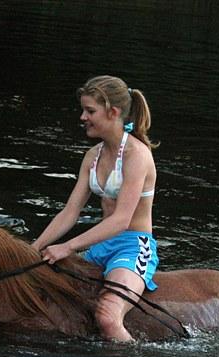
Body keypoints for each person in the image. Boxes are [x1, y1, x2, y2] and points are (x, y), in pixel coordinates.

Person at [31, 75, 159, 342]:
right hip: (101, 247)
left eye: (90, 111)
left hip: (134, 246)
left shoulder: (137, 155)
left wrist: (67, 247)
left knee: (107, 318)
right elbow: (69, 212)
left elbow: (122, 220)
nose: (82, 117)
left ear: (113, 112)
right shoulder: (93, 156)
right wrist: (32, 249)